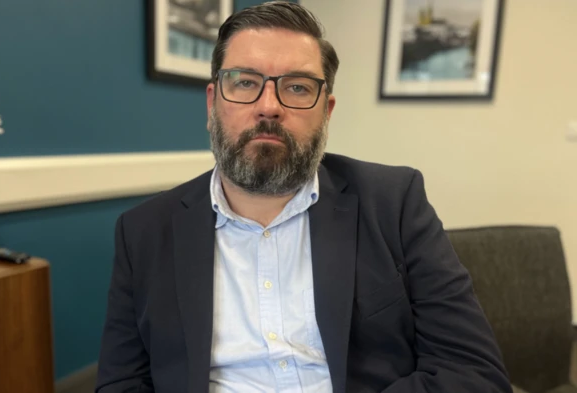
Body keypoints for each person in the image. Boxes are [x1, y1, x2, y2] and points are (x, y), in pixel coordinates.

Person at [95, 2, 512, 392]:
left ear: (326, 111)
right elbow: (122, 383)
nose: (269, 106)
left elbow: (473, 373)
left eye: (296, 88)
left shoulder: (395, 203)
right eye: (244, 82)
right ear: (212, 104)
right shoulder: (143, 232)